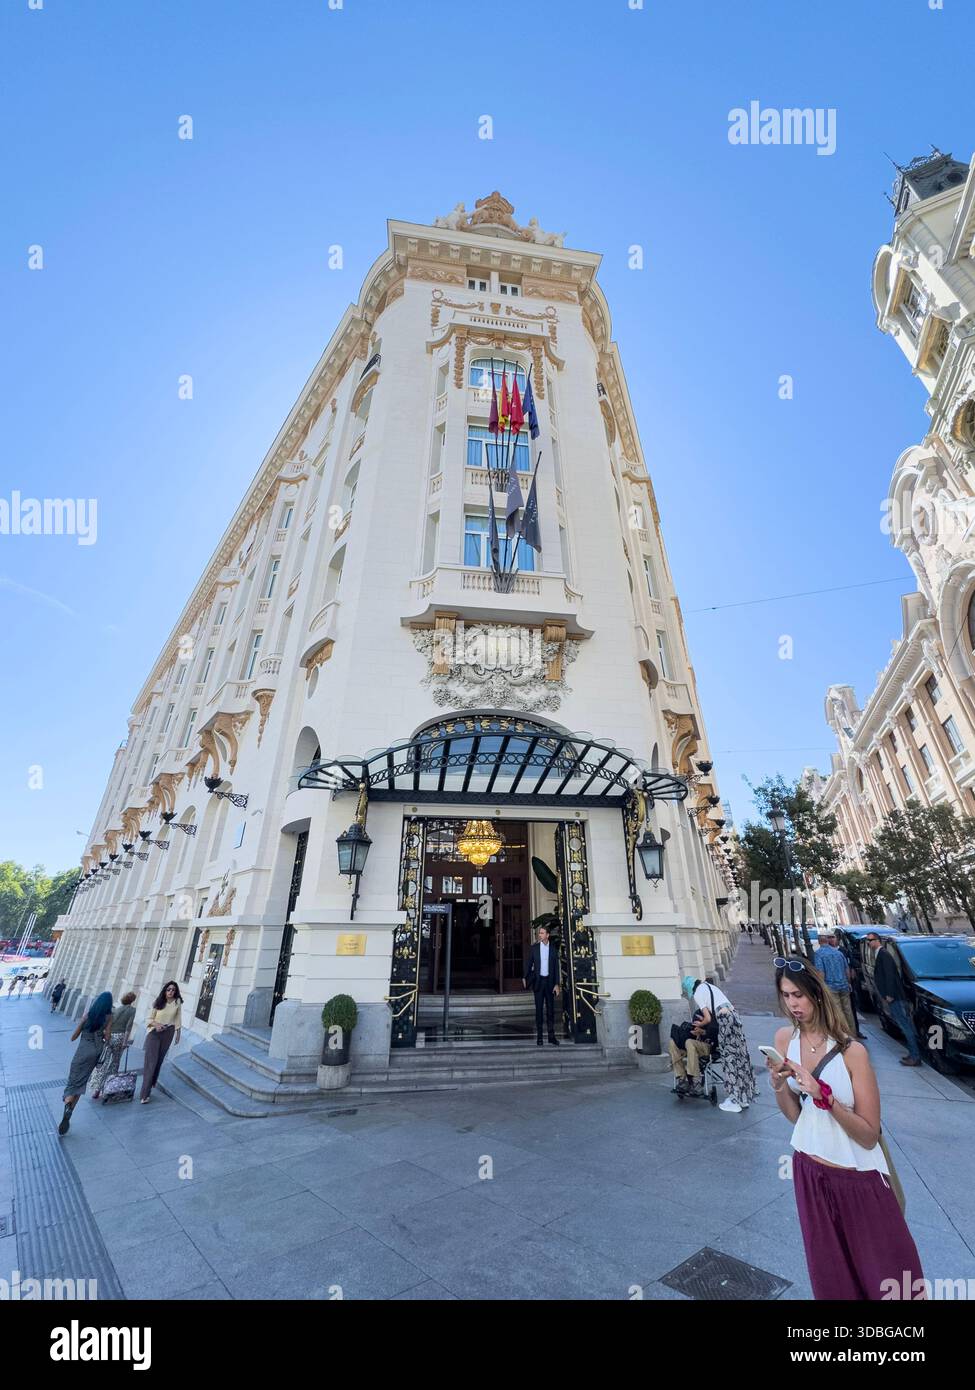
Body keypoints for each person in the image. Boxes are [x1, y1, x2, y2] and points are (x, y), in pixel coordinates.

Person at [766, 955, 924, 1300]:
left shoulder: (852, 1052)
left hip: (858, 1177)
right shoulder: (783, 1040)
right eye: (786, 995)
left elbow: (869, 1134)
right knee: (832, 1277)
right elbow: (795, 1116)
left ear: (817, 994)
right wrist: (779, 1083)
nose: (793, 1003)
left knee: (892, 1278)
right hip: (810, 1171)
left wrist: (824, 1097)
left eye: (799, 995)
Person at [681, 975, 757, 1113]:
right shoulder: (711, 987)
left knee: (729, 1060)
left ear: (690, 988)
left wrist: (700, 1024)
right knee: (740, 1058)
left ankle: (734, 1100)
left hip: (725, 1020)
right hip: (734, 1017)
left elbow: (708, 1018)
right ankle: (743, 1098)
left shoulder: (698, 993)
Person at [59, 992, 114, 1135]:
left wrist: (82, 1022)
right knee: (81, 1083)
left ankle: (67, 1105)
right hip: (95, 1053)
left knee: (73, 1083)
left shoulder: (88, 1015)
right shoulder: (109, 1017)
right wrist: (102, 1034)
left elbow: (73, 1037)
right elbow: (107, 1038)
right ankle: (70, 1111)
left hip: (82, 1052)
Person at [868, 934, 923, 1067]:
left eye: (870, 940)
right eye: (868, 941)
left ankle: (915, 1055)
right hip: (893, 996)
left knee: (905, 1025)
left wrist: (890, 994)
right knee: (904, 1024)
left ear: (877, 941)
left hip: (895, 996)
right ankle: (913, 1054)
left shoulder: (884, 954)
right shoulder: (880, 954)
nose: (869, 943)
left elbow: (890, 975)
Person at [89, 991, 137, 1099]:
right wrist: (125, 1042)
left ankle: (96, 1090)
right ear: (133, 1000)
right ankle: (108, 1088)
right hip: (119, 1038)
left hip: (109, 1037)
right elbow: (128, 1028)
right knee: (115, 1063)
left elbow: (107, 1025)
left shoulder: (115, 1010)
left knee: (104, 1063)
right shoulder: (132, 1011)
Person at [140, 981, 183, 1102]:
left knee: (158, 1061)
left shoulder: (177, 1002)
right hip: (154, 1033)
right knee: (151, 1062)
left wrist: (178, 1034)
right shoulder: (158, 1002)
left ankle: (152, 1082)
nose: (171, 992)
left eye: (173, 990)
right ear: (165, 990)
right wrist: (156, 1024)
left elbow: (178, 1018)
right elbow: (149, 1018)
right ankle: (145, 1094)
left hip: (168, 1032)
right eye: (168, 989)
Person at [813, 930, 858, 1039]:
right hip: (843, 985)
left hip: (830, 987)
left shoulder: (819, 954)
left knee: (837, 1011)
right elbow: (847, 969)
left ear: (819, 942)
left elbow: (821, 972)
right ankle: (852, 1034)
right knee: (848, 1010)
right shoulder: (838, 953)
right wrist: (848, 982)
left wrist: (821, 986)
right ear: (827, 941)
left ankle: (843, 1034)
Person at [523, 925, 561, 1046]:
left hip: (550, 984)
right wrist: (525, 977)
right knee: (538, 1011)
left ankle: (551, 1036)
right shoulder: (534, 948)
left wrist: (557, 984)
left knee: (550, 1011)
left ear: (547, 935)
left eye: (542, 933)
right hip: (538, 984)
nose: (540, 935)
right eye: (539, 933)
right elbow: (529, 964)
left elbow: (556, 968)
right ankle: (539, 1037)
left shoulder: (553, 949)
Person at [668, 1012, 712, 1097]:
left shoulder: (714, 1013)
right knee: (672, 1043)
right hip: (692, 1044)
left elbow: (716, 1034)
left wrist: (703, 1032)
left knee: (689, 1043)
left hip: (707, 1045)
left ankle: (696, 1082)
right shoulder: (698, 1012)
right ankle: (682, 1078)